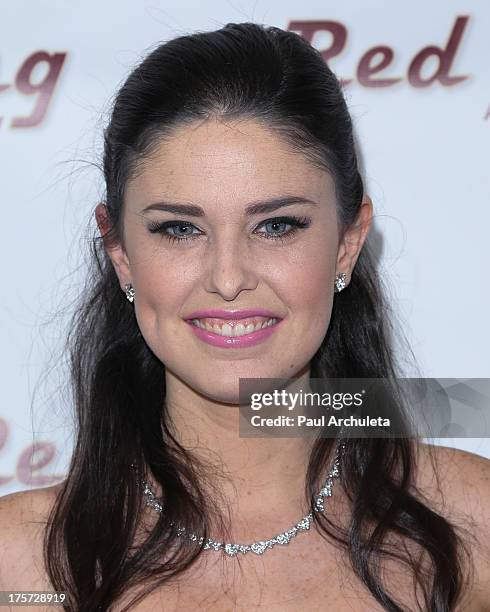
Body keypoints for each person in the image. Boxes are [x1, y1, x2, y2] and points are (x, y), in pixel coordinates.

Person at [0, 21, 489, 612]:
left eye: (277, 225)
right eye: (179, 229)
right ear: (120, 253)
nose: (228, 278)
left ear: (348, 241)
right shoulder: (21, 565)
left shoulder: (472, 529)